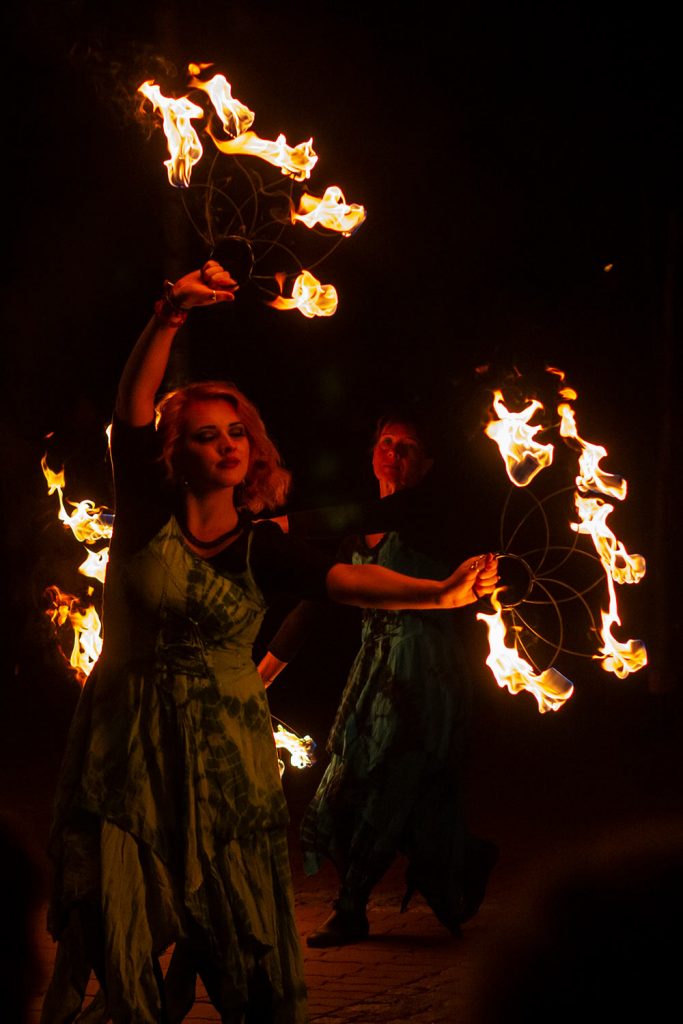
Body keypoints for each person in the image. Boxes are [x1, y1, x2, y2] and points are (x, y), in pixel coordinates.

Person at [39, 260, 499, 1023]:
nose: (226, 445)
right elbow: (130, 412)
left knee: (230, 923)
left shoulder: (264, 546)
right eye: (204, 435)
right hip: (126, 743)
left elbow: (346, 583)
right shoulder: (145, 523)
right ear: (172, 452)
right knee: (118, 908)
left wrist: (442, 592)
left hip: (226, 751)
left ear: (253, 448)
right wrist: (169, 316)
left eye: (236, 434)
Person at [258, 411, 500, 947]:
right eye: (386, 442)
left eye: (409, 446)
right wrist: (261, 677)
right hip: (374, 667)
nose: (394, 452)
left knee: (388, 781)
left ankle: (351, 908)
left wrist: (276, 526)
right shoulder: (357, 526)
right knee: (350, 782)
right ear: (373, 453)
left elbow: (372, 512)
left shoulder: (427, 511)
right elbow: (313, 604)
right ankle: (462, 858)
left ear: (427, 464)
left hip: (425, 667)